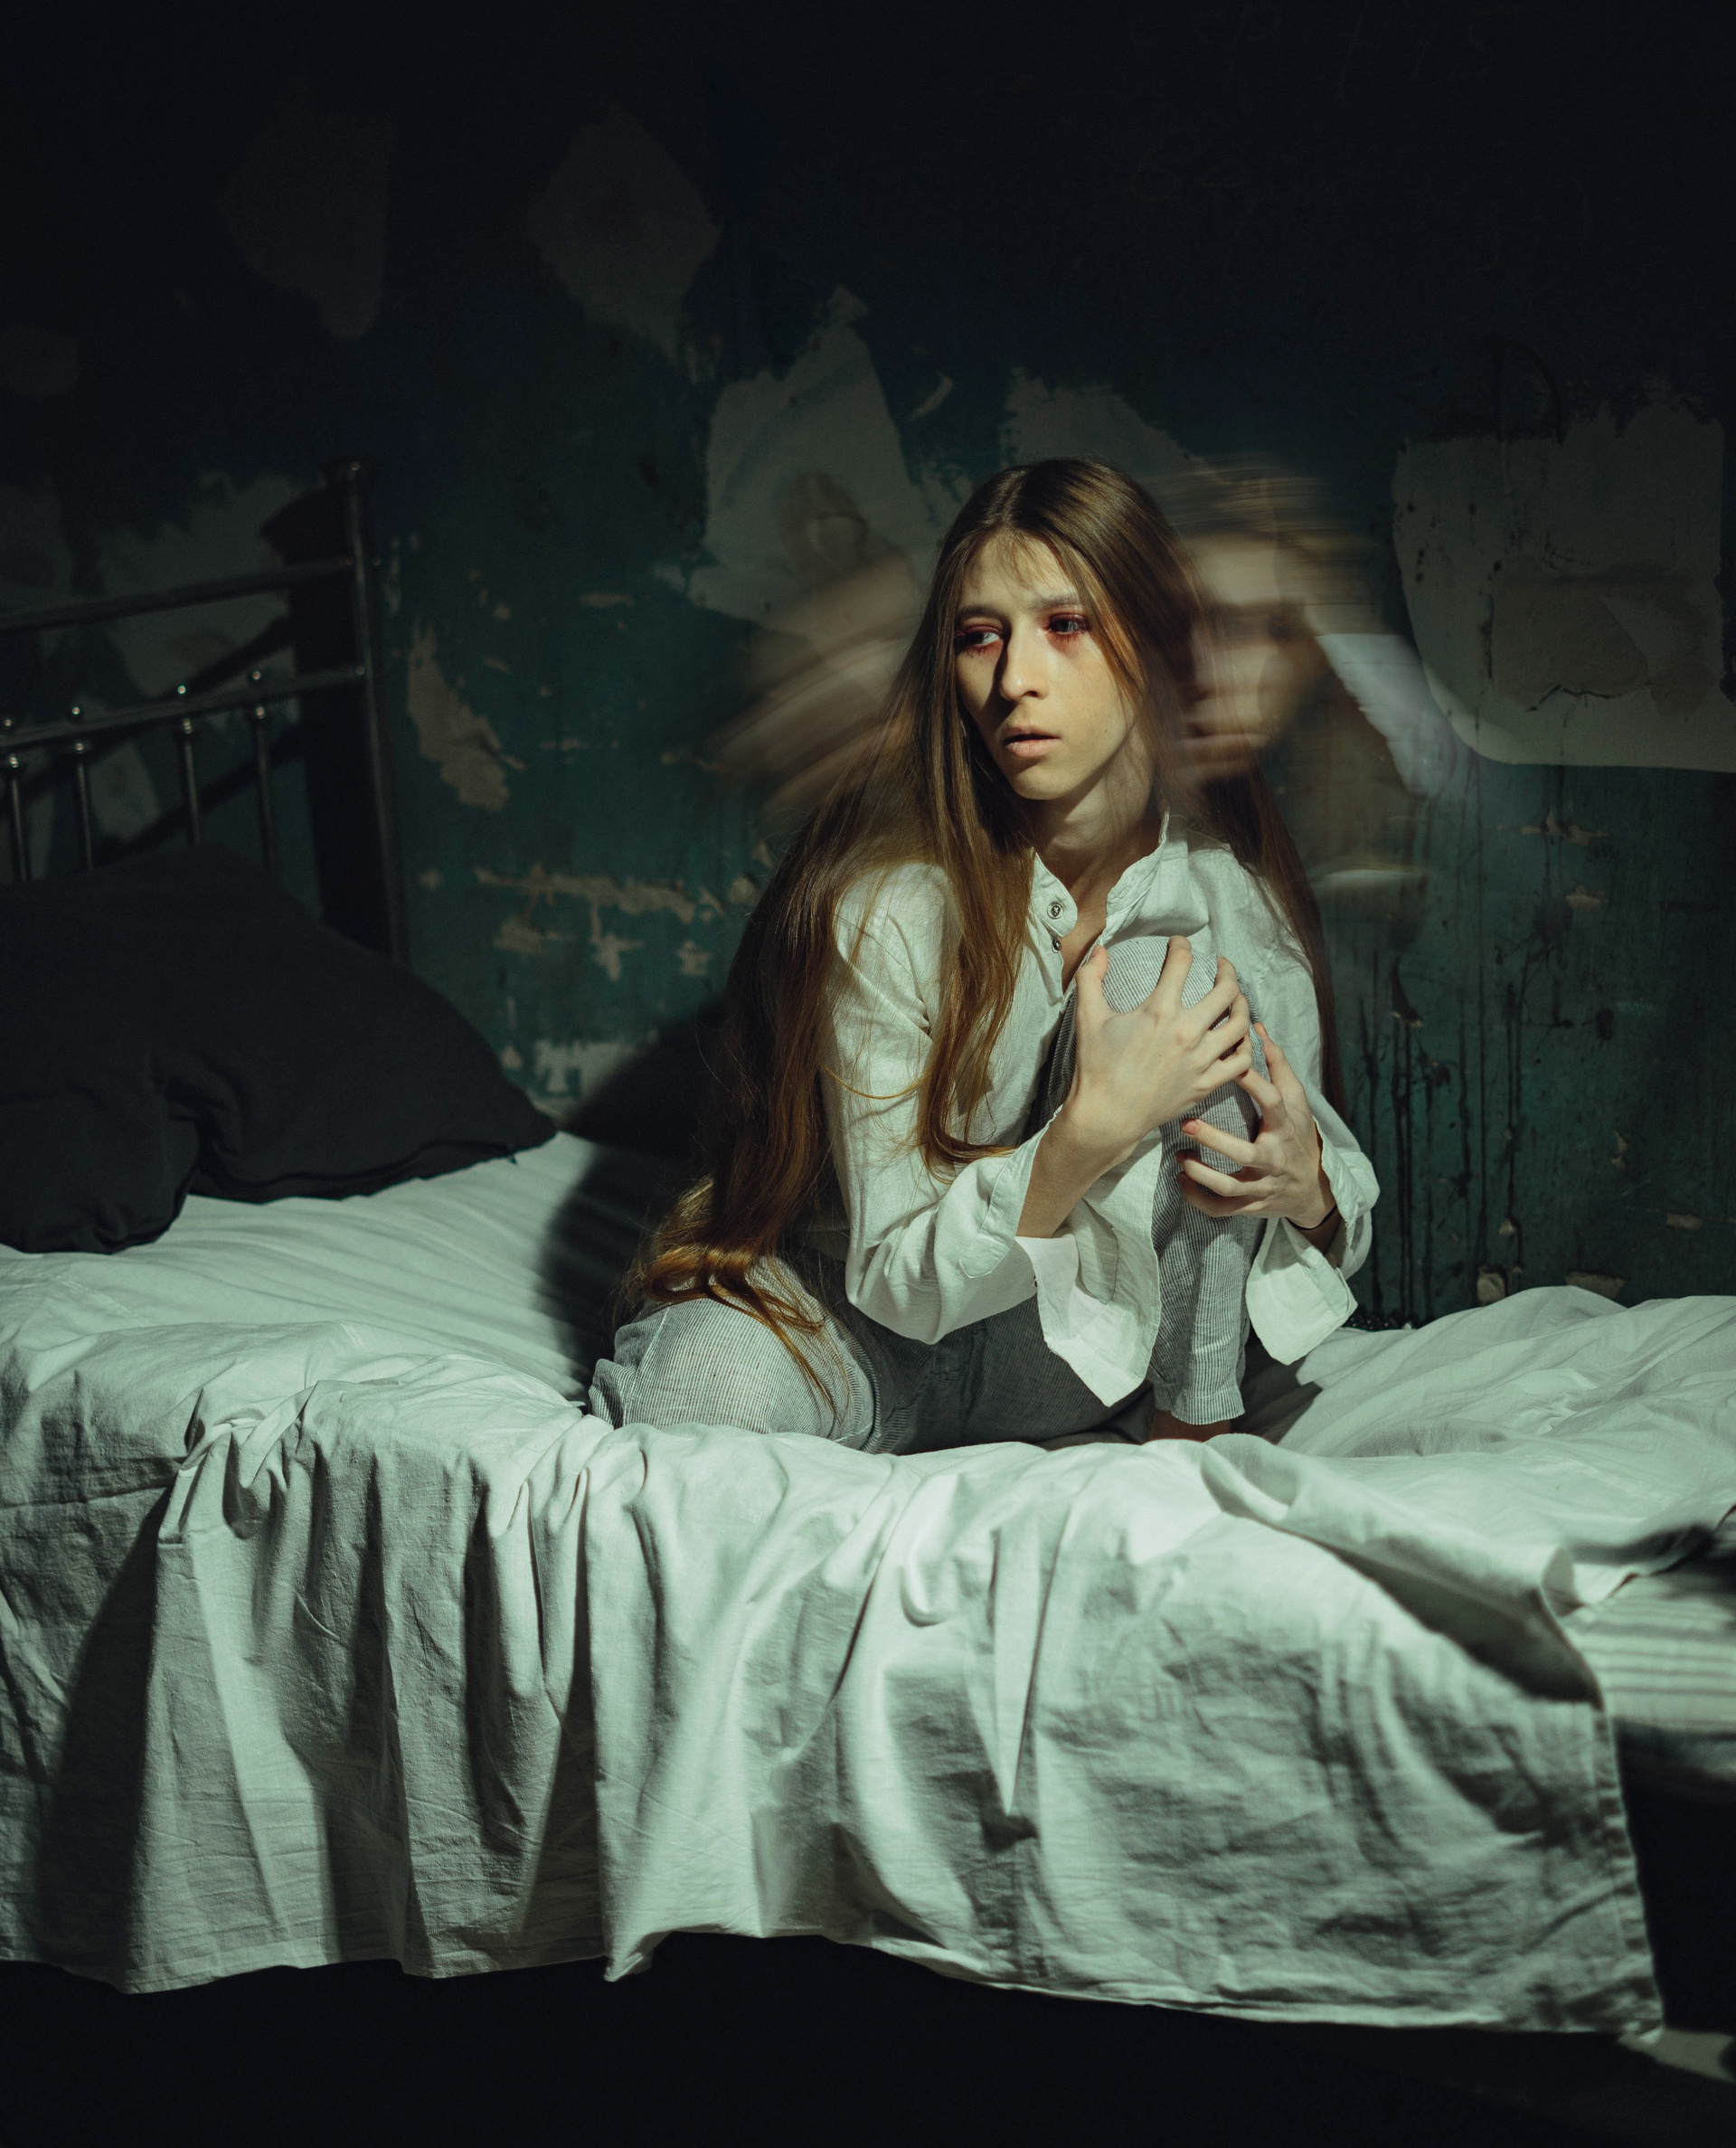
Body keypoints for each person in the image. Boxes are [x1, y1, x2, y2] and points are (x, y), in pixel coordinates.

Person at [590, 459, 1378, 1453]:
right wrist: (1084, 1136)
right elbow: (890, 1272)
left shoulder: (1232, 906)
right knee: (690, 1396)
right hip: (864, 1334)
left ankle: (1193, 1429)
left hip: (1074, 1364)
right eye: (980, 637)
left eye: (1065, 624)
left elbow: (1330, 1220)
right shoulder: (891, 908)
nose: (1014, 682)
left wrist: (1310, 1190)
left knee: (1166, 983)